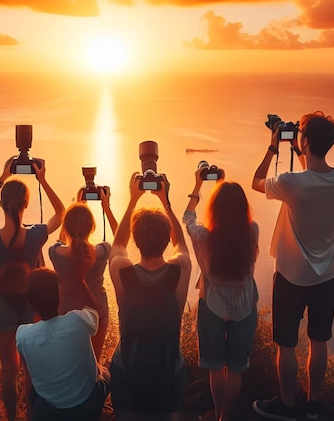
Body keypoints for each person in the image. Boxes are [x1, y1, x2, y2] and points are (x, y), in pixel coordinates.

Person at [251, 111, 334, 421]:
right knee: (318, 340)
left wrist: (273, 146)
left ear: (304, 140)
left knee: (286, 344)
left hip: (290, 275)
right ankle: (313, 404)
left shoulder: (291, 183)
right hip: (327, 275)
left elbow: (256, 181)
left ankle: (286, 404)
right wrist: (303, 150)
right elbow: (317, 173)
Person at [0, 157, 65, 421]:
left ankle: (11, 417)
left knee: (9, 369)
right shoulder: (36, 234)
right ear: (27, 204)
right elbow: (61, 213)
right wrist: (42, 179)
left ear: (3, 204)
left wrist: (1, 177)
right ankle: (31, 416)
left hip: (1, 304)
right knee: (30, 369)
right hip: (31, 305)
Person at [108, 172, 192, 421]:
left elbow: (117, 246)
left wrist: (133, 200)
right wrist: (165, 201)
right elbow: (182, 246)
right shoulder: (180, 270)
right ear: (167, 239)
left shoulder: (123, 271)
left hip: (128, 369)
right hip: (169, 369)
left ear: (136, 239)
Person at [183, 170, 259, 421]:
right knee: (236, 369)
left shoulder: (205, 237)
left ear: (215, 209)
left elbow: (188, 217)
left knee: (215, 368)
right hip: (244, 307)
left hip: (213, 308)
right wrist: (223, 185)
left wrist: (198, 183)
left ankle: (216, 414)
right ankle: (226, 417)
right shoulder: (252, 231)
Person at [16, 267, 110, 420]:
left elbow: (30, 380)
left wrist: (30, 412)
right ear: (59, 297)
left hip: (51, 408)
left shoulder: (23, 336)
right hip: (85, 404)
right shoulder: (78, 321)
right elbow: (96, 312)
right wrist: (81, 281)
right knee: (104, 372)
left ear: (29, 304)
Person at [48, 189, 117, 359]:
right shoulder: (102, 252)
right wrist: (106, 207)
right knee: (94, 362)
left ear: (66, 227)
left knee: (69, 361)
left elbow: (63, 241)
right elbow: (120, 237)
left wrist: (79, 205)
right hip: (97, 312)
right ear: (92, 227)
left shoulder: (55, 252)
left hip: (65, 311)